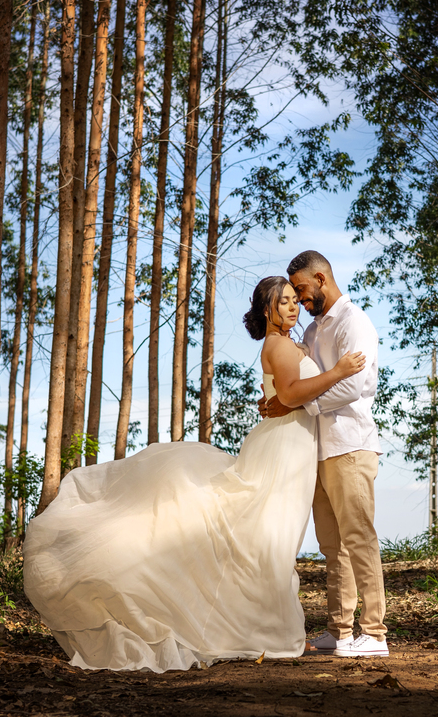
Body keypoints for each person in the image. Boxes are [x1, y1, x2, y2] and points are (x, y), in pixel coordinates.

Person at [23, 275, 364, 672]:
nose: (291, 307)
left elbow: (282, 397)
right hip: (284, 449)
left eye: (293, 300)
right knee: (266, 535)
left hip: (291, 444)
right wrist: (339, 371)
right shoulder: (277, 344)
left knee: (270, 535)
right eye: (283, 301)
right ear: (267, 310)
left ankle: (260, 624)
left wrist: (284, 396)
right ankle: (264, 630)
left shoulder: (286, 343)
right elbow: (290, 395)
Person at [258, 250, 389, 658]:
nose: (299, 299)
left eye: (301, 290)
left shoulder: (355, 323)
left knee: (359, 538)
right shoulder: (313, 332)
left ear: (320, 277)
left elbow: (356, 387)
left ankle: (375, 634)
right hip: (317, 449)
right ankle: (341, 630)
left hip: (350, 444)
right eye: (292, 295)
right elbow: (298, 382)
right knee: (333, 546)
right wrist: (285, 401)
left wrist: (298, 404)